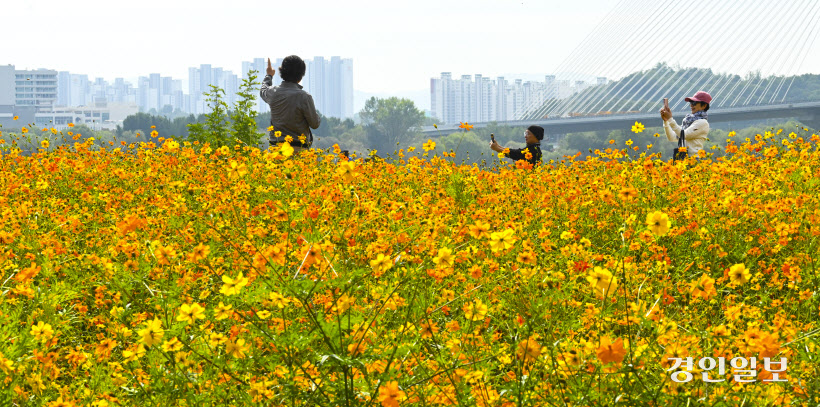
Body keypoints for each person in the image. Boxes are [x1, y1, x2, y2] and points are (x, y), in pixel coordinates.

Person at [260, 56, 320, 153]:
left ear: (282, 73)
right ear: (301, 76)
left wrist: (269, 75)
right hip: (298, 150)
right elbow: (315, 124)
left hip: (276, 151)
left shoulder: (273, 92)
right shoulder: (304, 97)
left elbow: (263, 89)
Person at [660, 91, 711, 160]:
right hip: (682, 160)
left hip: (694, 161)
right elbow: (671, 137)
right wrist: (666, 121)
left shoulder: (702, 123)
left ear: (704, 106)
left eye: (694, 103)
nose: (691, 105)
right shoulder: (688, 121)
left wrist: (670, 119)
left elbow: (684, 135)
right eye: (691, 103)